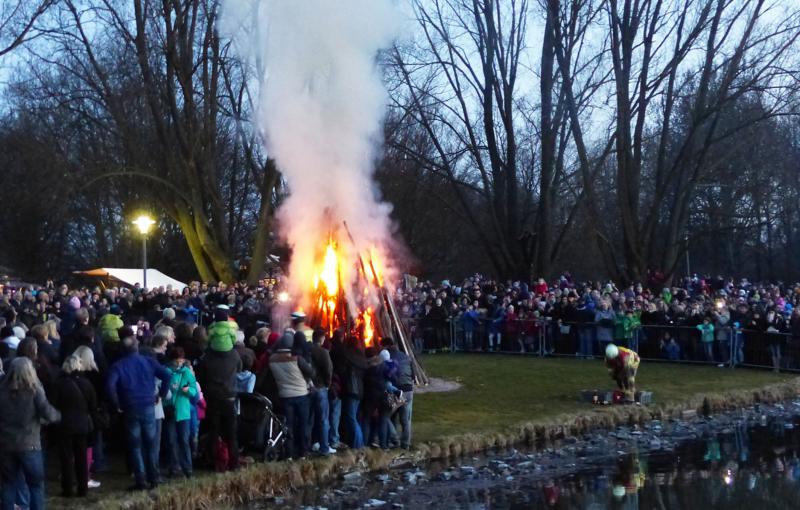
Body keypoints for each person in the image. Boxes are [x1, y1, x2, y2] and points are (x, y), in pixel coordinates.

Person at [105, 336, 171, 490]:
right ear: (137, 347)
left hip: (129, 407)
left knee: (135, 445)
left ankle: (140, 480)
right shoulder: (148, 361)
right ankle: (153, 477)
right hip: (148, 405)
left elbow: (109, 386)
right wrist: (160, 394)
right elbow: (167, 375)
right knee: (150, 443)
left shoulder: (118, 366)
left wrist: (116, 403)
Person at [0, 358, 61, 510]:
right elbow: (48, 413)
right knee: (36, 485)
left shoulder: (2, 391)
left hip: (6, 444)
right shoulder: (34, 390)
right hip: (30, 444)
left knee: (8, 484)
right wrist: (59, 416)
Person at [195, 325, 242, 472]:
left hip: (212, 397)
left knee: (214, 431)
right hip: (229, 397)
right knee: (231, 433)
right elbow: (240, 369)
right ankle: (233, 463)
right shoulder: (234, 355)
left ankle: (216, 462)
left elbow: (201, 376)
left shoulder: (206, 357)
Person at [50, 354, 97, 497]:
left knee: (66, 458)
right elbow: (93, 405)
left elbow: (53, 403)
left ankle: (68, 488)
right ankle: (83, 488)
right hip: (82, 424)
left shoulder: (58, 384)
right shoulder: (86, 383)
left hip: (64, 424)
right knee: (81, 457)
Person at [268, 333, 314, 459]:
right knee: (303, 424)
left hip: (284, 396)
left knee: (288, 426)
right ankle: (303, 453)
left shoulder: (272, 359)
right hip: (301, 395)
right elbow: (311, 372)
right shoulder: (296, 358)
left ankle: (289, 454)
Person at [163, 346, 197, 478]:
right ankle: (174, 467)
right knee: (171, 441)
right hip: (170, 410)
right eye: (176, 361)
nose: (179, 364)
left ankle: (187, 468)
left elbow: (194, 389)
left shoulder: (186, 372)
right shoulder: (166, 371)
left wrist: (187, 390)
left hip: (183, 411)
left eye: (181, 361)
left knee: (184, 440)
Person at [383, 337, 414, 449]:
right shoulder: (406, 357)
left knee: (385, 416)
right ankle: (405, 444)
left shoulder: (388, 358)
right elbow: (413, 376)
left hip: (397, 392)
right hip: (409, 390)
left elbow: (388, 376)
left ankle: (394, 439)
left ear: (386, 346)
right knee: (406, 420)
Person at [309, 328, 335, 455]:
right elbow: (329, 370)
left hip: (308, 388)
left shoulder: (307, 350)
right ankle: (324, 447)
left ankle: (313, 443)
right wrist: (327, 385)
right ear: (322, 339)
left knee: (311, 417)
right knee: (324, 419)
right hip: (320, 388)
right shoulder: (323, 352)